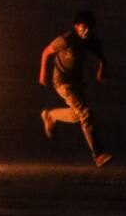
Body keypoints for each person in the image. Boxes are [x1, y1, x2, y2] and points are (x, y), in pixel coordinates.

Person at [39, 10, 112, 168]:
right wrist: (43, 74)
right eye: (84, 27)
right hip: (62, 82)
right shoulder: (66, 39)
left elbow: (101, 56)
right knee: (86, 113)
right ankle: (98, 155)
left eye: (90, 28)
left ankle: (51, 115)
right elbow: (46, 52)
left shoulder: (90, 40)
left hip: (77, 83)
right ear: (76, 26)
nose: (87, 31)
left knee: (77, 116)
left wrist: (102, 69)